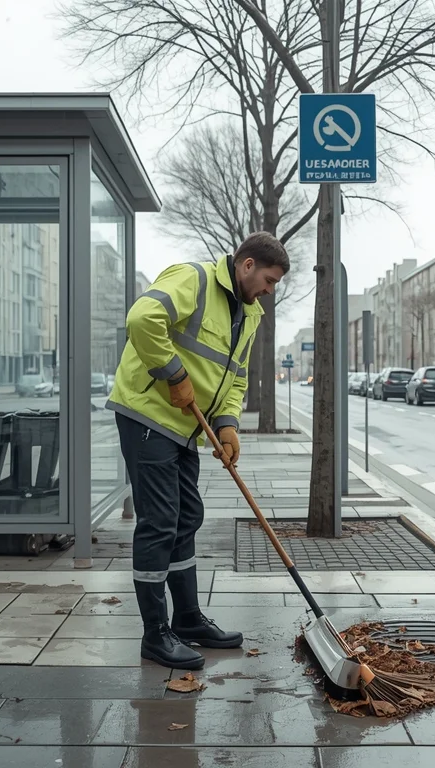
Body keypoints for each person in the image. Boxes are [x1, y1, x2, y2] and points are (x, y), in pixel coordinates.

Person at [106, 232, 290, 670]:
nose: (269, 291)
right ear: (247, 265)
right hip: (148, 414)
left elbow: (235, 378)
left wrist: (227, 427)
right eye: (267, 280)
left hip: (188, 428)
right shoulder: (192, 279)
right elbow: (142, 317)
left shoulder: (250, 316)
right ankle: (156, 634)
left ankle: (187, 618)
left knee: (188, 517)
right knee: (160, 521)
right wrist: (173, 373)